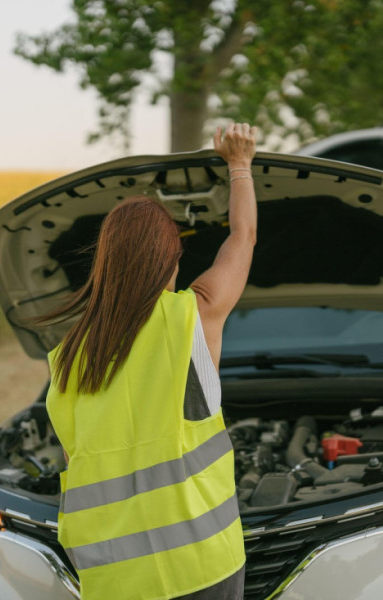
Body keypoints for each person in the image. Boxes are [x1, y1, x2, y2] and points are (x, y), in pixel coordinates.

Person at [41, 122, 258, 599]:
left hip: (113, 580)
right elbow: (241, 239)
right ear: (171, 260)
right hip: (203, 565)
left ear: (106, 261)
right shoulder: (191, 318)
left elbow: (75, 462)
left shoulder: (66, 359)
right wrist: (239, 165)